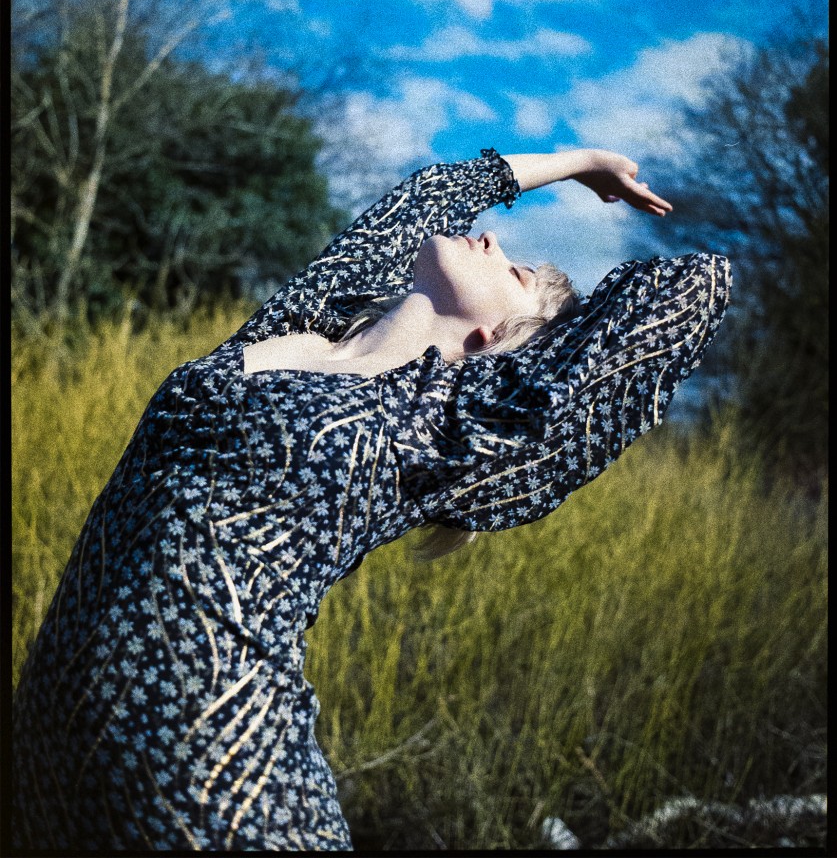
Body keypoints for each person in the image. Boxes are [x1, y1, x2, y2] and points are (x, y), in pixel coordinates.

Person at [12, 147, 730, 850]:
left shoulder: (445, 426)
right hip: (50, 767)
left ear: (497, 346)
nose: (489, 237)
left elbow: (689, 288)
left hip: (219, 781)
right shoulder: (301, 331)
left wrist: (548, 341)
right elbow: (430, 197)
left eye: (513, 271)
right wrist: (583, 162)